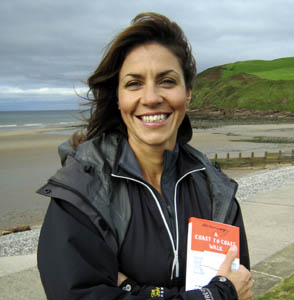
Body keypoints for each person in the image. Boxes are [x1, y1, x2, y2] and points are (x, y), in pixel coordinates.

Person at [37, 12, 253, 300]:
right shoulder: (83, 188)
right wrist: (213, 296)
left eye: (166, 81)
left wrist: (132, 289)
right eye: (134, 83)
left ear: (187, 93)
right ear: (118, 97)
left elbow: (238, 283)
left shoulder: (216, 190)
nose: (151, 98)